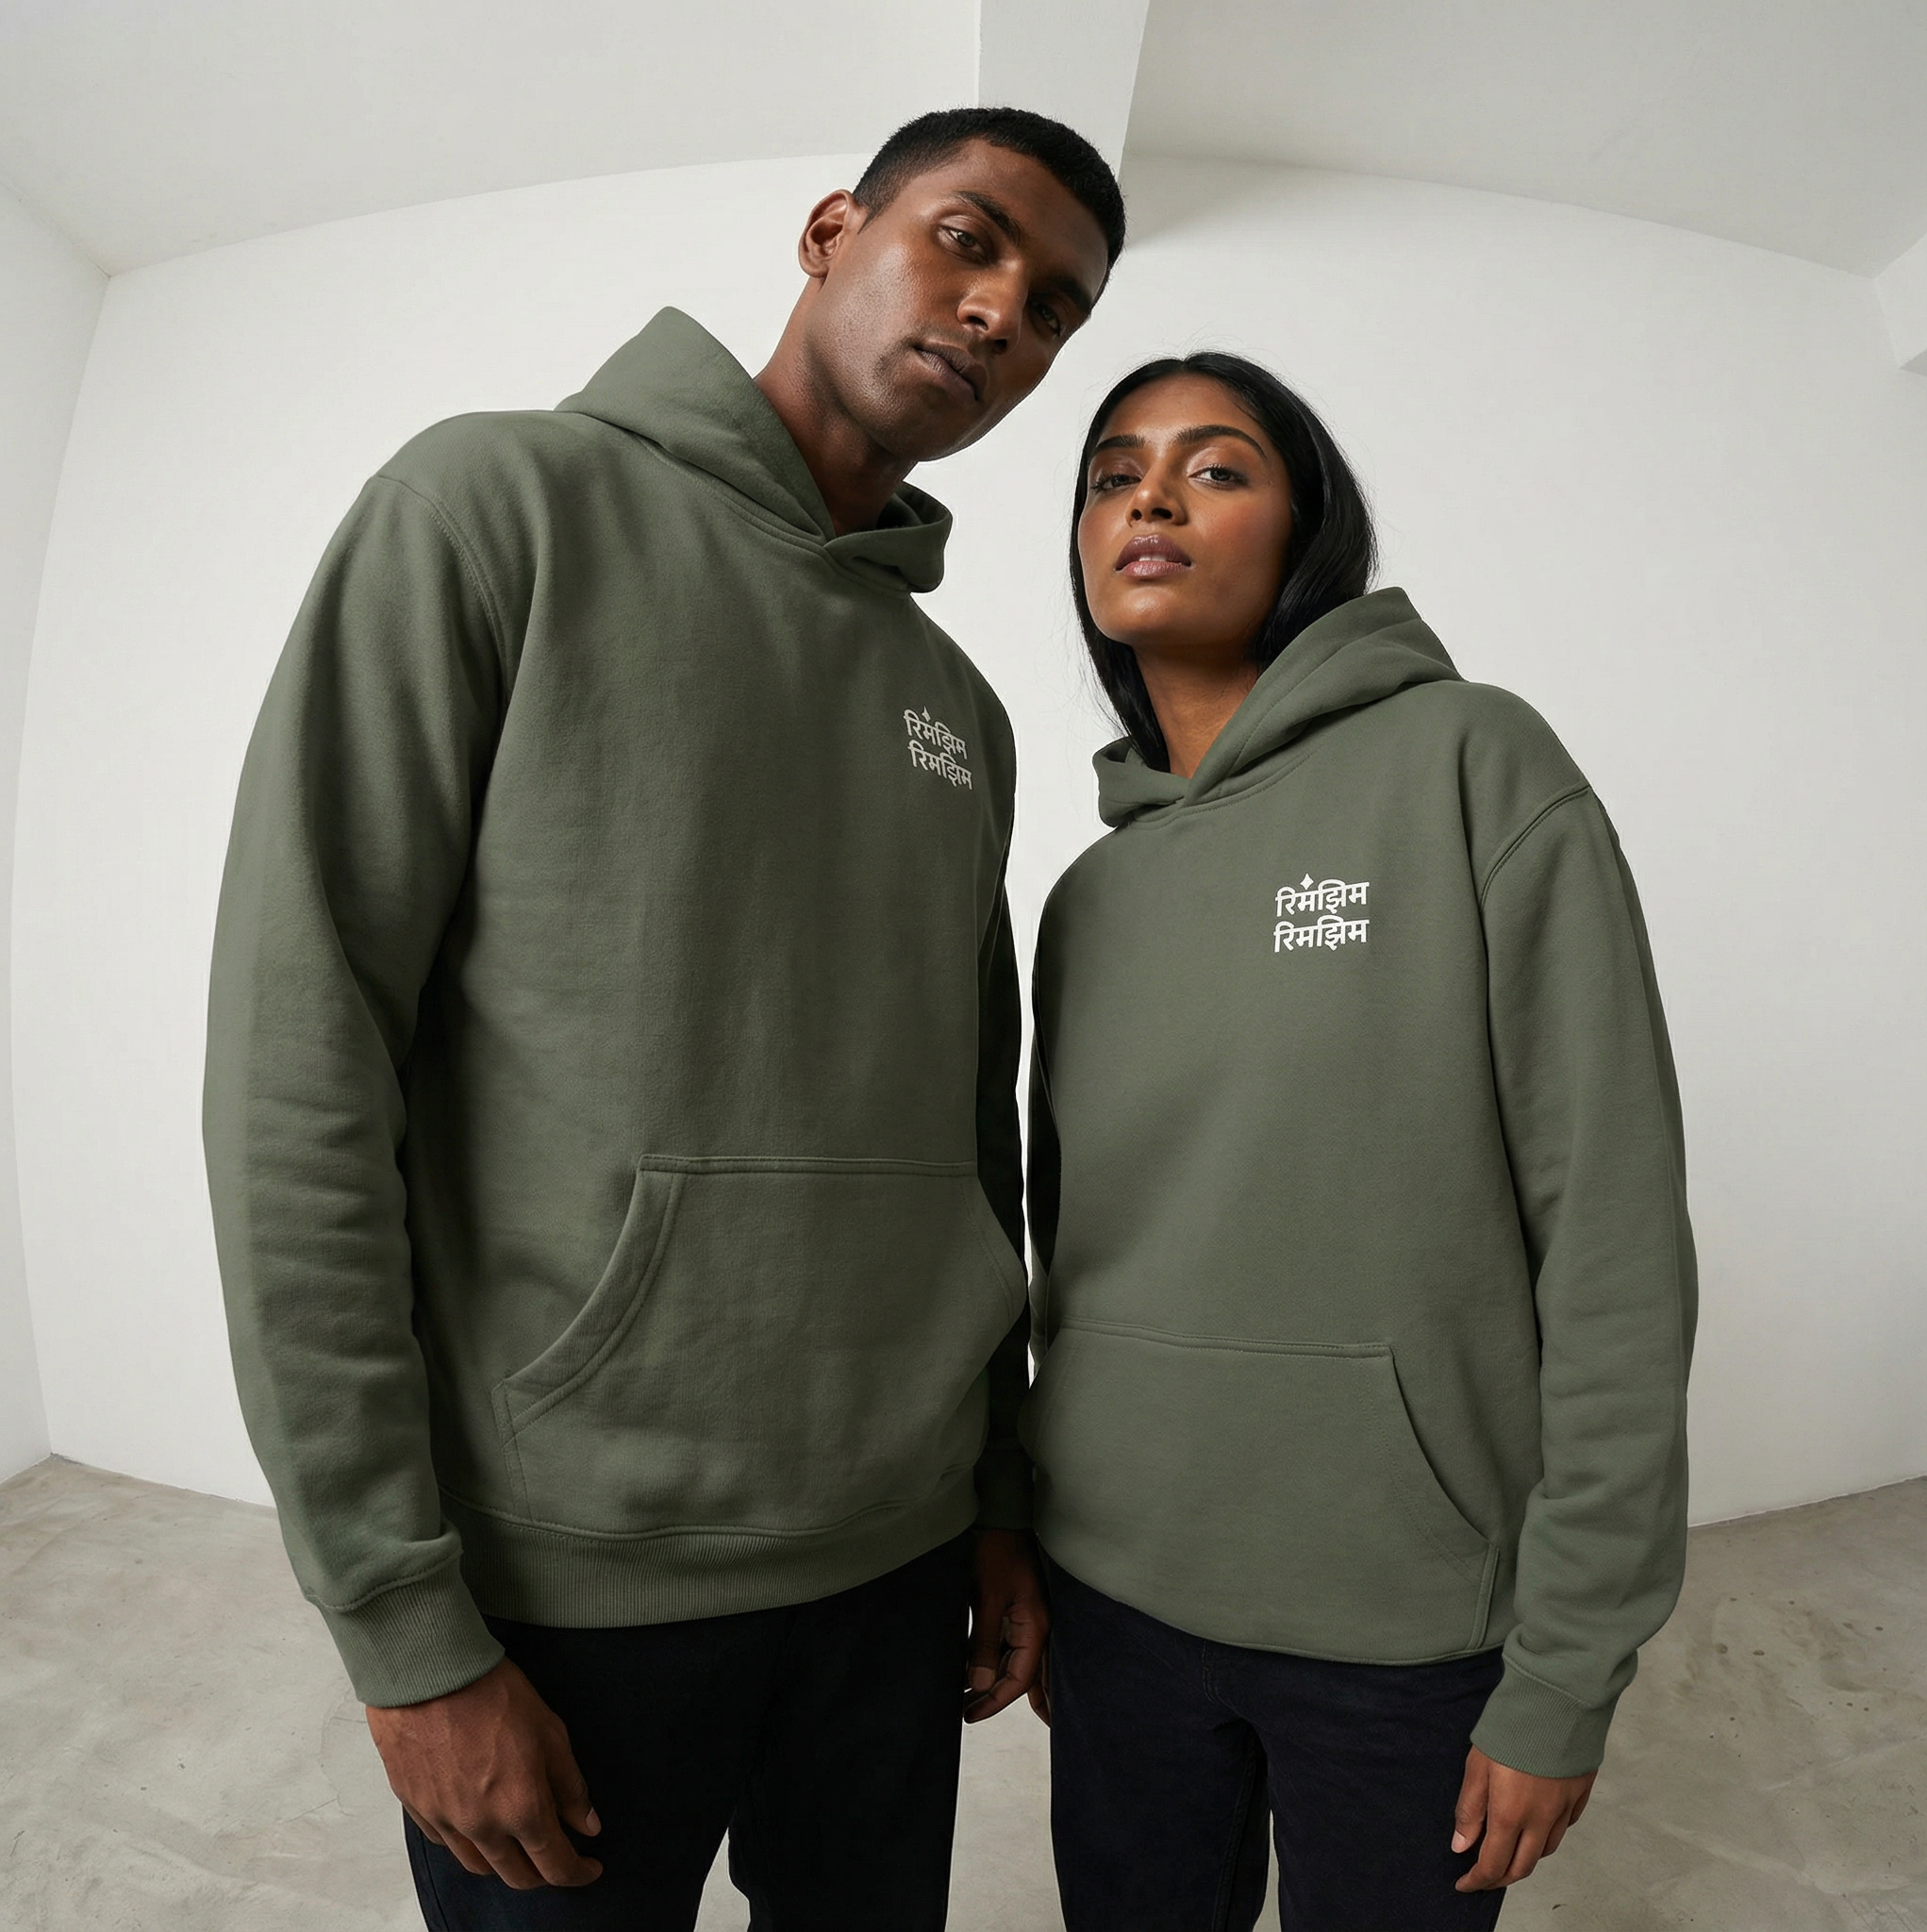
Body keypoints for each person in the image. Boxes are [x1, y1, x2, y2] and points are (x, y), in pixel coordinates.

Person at [202, 108, 1121, 1930]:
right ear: (831, 228)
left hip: (896, 1564)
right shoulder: (496, 506)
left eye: (1053, 309)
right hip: (571, 1580)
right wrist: (400, 1622)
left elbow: (970, 1126)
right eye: (968, 238)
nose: (1001, 312)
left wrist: (998, 1492)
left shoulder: (962, 708)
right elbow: (302, 1064)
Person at [1022, 352, 1696, 1931]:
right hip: (1113, 1608)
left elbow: (1612, 1236)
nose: (1151, 498)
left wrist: (1566, 1668)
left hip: (1401, 1626)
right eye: (1114, 473)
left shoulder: (1471, 761)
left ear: (1308, 528)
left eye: (1216, 467)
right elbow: (1062, 1255)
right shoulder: (1087, 898)